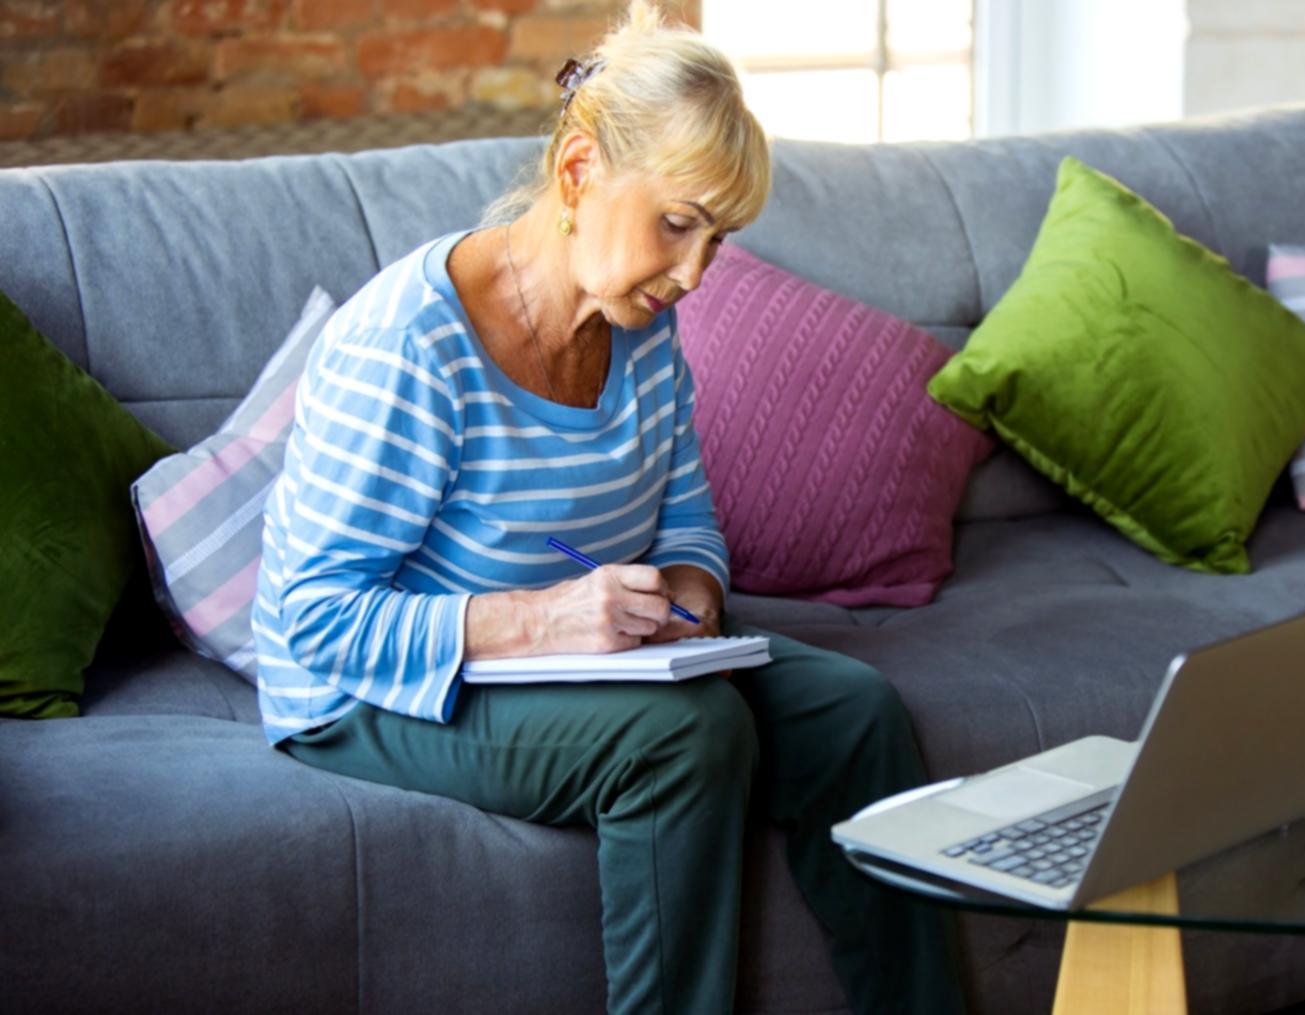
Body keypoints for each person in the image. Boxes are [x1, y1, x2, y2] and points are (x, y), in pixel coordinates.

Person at [253, 3, 965, 1012]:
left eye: (716, 239)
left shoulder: (641, 331)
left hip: (575, 655)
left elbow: (684, 518)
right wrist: (541, 620)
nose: (694, 274)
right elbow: (314, 621)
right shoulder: (408, 347)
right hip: (368, 692)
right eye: (677, 224)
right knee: (685, 733)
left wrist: (687, 591)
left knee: (856, 712)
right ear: (579, 172)